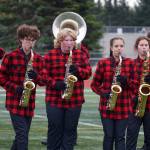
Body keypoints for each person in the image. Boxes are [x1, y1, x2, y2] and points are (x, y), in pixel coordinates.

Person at [43, 28, 92, 150]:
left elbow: (88, 73)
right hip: (54, 100)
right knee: (54, 130)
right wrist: (55, 84)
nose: (69, 43)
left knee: (70, 131)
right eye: (66, 40)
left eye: (72, 40)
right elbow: (43, 75)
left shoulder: (80, 55)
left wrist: (78, 71)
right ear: (60, 41)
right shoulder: (50, 55)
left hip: (74, 100)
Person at [0, 24, 44, 150]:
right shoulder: (10, 57)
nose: (29, 42)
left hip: (29, 102)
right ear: (20, 39)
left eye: (32, 40)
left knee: (21, 136)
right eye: (26, 39)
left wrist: (36, 76)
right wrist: (15, 88)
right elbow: (1, 77)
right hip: (14, 101)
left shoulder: (39, 59)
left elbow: (43, 81)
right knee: (22, 135)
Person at [91, 37, 137, 150]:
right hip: (107, 106)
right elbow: (94, 84)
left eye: (121, 46)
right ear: (111, 48)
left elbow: (135, 86)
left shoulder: (130, 63)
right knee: (109, 136)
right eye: (116, 46)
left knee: (120, 137)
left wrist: (126, 81)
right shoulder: (103, 63)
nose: (119, 48)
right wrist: (103, 93)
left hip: (123, 106)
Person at [126, 36, 150, 150]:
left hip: (149, 106)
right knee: (131, 137)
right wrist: (135, 96)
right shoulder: (131, 63)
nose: (144, 48)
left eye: (146, 45)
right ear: (137, 47)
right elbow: (128, 82)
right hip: (135, 105)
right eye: (141, 45)